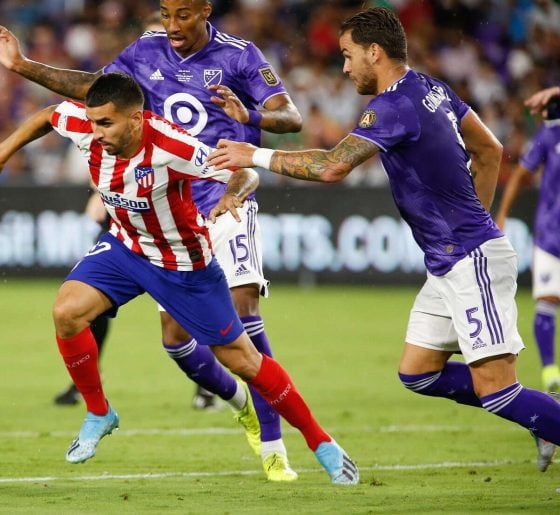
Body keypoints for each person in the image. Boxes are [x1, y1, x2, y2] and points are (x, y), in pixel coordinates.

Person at [207, 6, 560, 474]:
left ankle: (538, 413)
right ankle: (536, 412)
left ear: (375, 52)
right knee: (418, 372)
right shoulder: (430, 88)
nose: (346, 67)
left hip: (471, 259)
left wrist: (254, 153)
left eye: (350, 56)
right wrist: (478, 221)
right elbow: (489, 150)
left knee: (498, 390)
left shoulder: (393, 105)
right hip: (450, 262)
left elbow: (332, 166)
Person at [0, 72, 359, 485]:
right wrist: (1, 151)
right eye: (93, 121)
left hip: (183, 265)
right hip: (125, 248)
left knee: (243, 360)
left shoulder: (172, 146)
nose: (95, 132)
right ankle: (99, 412)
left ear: (136, 119)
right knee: (67, 311)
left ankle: (322, 443)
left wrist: (232, 195)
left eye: (106, 124)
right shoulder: (87, 124)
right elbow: (49, 114)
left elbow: (244, 172)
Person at [495, 95, 560, 394]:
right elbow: (521, 174)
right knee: (546, 302)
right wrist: (503, 213)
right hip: (552, 234)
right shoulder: (550, 135)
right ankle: (550, 372)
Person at [53, 191, 113, 405]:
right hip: (120, 230)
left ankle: (206, 385)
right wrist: (99, 192)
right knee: (90, 308)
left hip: (164, 231)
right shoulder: (103, 159)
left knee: (177, 322)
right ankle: (88, 380)